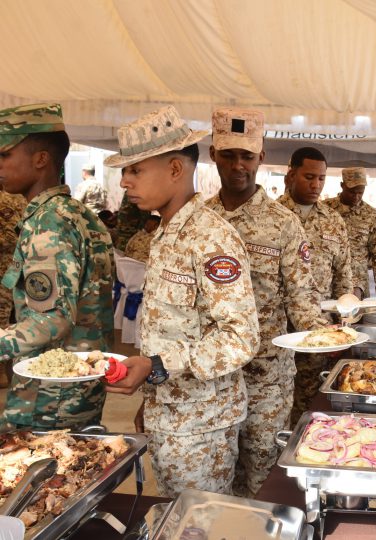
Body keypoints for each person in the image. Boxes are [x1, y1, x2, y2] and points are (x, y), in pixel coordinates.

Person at [102, 106, 260, 498]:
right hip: (172, 414)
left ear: (175, 169)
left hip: (201, 424)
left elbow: (240, 338)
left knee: (197, 526)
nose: (124, 181)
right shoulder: (168, 231)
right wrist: (152, 390)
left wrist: (157, 366)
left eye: (135, 170)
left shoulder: (210, 238)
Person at [206, 107, 327, 497]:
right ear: (213, 155)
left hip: (267, 378)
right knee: (215, 476)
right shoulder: (197, 220)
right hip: (210, 378)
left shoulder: (283, 224)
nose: (237, 165)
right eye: (228, 155)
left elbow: (303, 301)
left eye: (246, 155)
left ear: (261, 157)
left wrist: (331, 336)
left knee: (265, 476)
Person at [0, 103, 114, 430]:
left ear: (40, 159)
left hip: (49, 396)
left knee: (40, 478)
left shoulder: (48, 224)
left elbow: (52, 320)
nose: (0, 165)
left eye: (5, 155)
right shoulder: (78, 214)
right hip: (76, 387)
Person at [278, 146, 352, 425]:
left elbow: (344, 275)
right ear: (290, 176)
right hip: (278, 329)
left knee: (311, 402)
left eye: (321, 179)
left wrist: (345, 319)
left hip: (319, 331)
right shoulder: (271, 217)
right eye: (309, 177)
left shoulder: (333, 221)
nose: (316, 185)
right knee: (275, 405)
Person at [327, 167, 376, 298]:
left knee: (354, 317)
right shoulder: (326, 209)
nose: (356, 196)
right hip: (327, 280)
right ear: (342, 185)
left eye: (361, 192)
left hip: (357, 283)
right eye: (351, 192)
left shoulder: (372, 215)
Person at [0, 188, 26, 387]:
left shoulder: (11, 201)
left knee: (3, 317)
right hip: (12, 267)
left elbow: (13, 237)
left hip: (6, 268)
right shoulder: (18, 199)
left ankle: (2, 372)